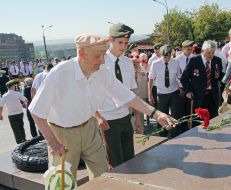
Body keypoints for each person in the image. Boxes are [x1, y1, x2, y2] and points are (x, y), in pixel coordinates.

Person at [28, 33, 176, 179]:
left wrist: (156, 114)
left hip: (90, 130)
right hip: (62, 135)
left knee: (103, 175)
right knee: (62, 181)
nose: (103, 61)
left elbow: (127, 96)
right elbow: (36, 111)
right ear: (81, 53)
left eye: (104, 55)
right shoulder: (60, 73)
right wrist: (53, 143)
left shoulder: (103, 72)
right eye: (97, 56)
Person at [97, 23, 144, 168]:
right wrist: (98, 117)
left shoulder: (127, 62)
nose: (123, 47)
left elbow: (132, 91)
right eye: (120, 42)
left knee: (130, 159)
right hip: (107, 119)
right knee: (115, 163)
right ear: (110, 40)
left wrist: (137, 117)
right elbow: (89, 94)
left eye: (126, 43)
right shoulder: (100, 62)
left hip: (125, 116)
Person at [148, 45, 186, 138]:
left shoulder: (175, 62)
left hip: (174, 92)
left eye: (169, 56)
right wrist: (150, 94)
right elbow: (151, 79)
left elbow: (179, 76)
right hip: (161, 94)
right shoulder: (155, 63)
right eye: (165, 57)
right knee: (162, 116)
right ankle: (162, 136)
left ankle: (175, 136)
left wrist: (181, 88)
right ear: (161, 55)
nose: (167, 59)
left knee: (175, 115)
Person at [181, 40, 223, 119]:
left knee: (213, 121)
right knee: (198, 122)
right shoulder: (194, 60)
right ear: (203, 51)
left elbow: (218, 76)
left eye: (213, 52)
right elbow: (184, 78)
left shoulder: (217, 60)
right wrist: (188, 91)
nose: (211, 55)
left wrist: (228, 76)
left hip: (213, 97)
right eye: (209, 52)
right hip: (198, 97)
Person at [0, 80, 28, 144]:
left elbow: (1, 106)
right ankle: (24, 139)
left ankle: (19, 142)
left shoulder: (4, 96)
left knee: (15, 129)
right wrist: (23, 104)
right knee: (21, 127)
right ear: (13, 86)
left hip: (11, 114)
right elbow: (26, 100)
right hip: (20, 112)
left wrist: (0, 115)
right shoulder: (17, 93)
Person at [147, 43, 163, 109]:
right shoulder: (152, 60)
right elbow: (149, 74)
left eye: (158, 51)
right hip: (155, 84)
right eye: (156, 51)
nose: (157, 53)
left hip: (164, 84)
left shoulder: (166, 56)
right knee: (157, 103)